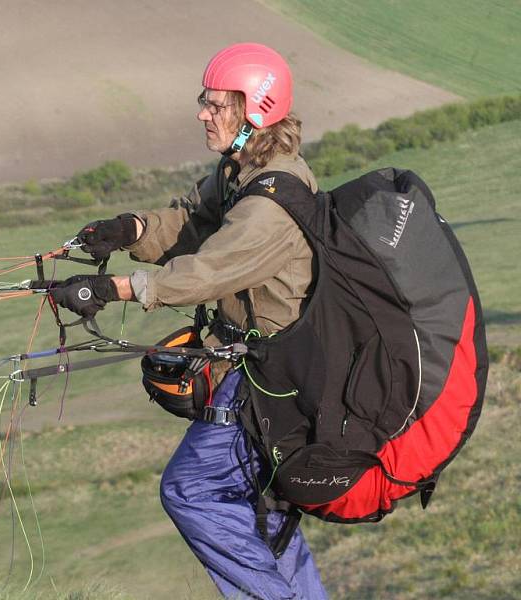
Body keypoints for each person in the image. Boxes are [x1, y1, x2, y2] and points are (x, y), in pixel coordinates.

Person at [50, 43, 327, 599]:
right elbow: (195, 224)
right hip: (257, 376)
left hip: (267, 384)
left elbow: (210, 271)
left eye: (216, 104)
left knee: (193, 491)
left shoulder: (273, 200)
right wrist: (130, 229)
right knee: (263, 517)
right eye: (204, 101)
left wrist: (116, 288)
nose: (203, 113)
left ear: (255, 109)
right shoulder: (240, 172)